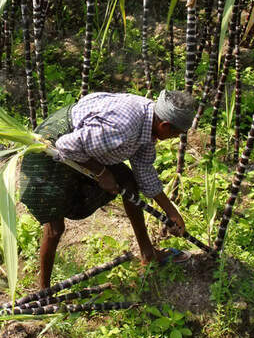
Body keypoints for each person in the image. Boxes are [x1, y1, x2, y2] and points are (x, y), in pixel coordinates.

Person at [19, 89, 196, 289]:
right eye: (175, 134)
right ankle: (44, 291)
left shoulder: (149, 123)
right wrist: (102, 173)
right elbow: (66, 146)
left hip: (83, 148)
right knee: (55, 228)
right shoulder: (124, 127)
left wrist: (171, 212)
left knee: (128, 182)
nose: (175, 138)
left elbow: (144, 171)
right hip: (50, 150)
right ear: (165, 125)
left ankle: (148, 254)